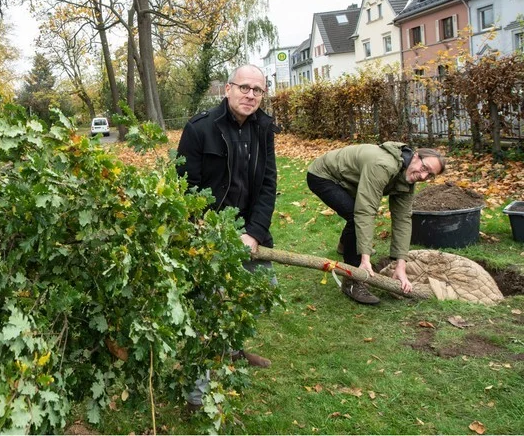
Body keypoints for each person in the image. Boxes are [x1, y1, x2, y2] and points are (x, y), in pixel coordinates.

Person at [176, 64, 279, 371]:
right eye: (244, 87)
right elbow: (186, 190)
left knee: (263, 291)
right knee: (208, 306)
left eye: (257, 90)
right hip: (209, 234)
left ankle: (232, 348)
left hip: (250, 231)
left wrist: (255, 233)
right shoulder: (199, 129)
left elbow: (268, 184)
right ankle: (198, 387)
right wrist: (216, 232)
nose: (250, 95)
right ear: (228, 88)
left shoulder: (264, 129)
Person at [306, 143, 446, 305]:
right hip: (325, 175)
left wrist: (401, 265)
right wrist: (364, 259)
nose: (423, 177)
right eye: (424, 168)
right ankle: (352, 279)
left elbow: (403, 220)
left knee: (356, 214)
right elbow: (365, 211)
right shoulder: (383, 165)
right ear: (415, 156)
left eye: (429, 175)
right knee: (354, 215)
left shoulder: (407, 177)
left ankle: (346, 245)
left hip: (351, 180)